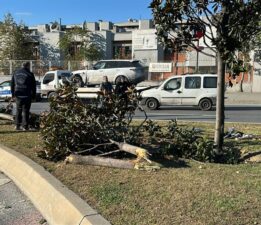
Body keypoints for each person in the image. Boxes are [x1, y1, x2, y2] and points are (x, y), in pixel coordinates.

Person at [11, 62, 36, 131]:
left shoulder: (15, 73)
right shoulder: (30, 74)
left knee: (18, 110)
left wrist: (13, 94)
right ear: (28, 66)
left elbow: (12, 84)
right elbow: (33, 86)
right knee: (26, 111)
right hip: (27, 95)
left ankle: (17, 126)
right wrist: (34, 96)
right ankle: (25, 126)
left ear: (22, 65)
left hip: (18, 95)